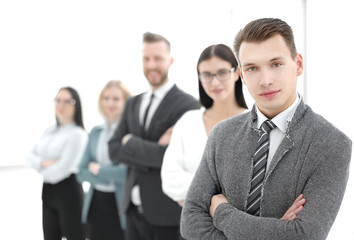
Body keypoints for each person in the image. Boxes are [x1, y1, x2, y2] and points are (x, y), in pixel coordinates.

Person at [181, 18, 352, 240]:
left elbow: (304, 236)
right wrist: (276, 231)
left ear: (298, 64)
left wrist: (222, 213)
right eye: (252, 68)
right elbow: (190, 223)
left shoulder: (332, 144)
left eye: (276, 64)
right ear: (242, 75)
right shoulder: (221, 135)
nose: (265, 80)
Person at [108, 32, 200, 240]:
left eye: (158, 58)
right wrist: (153, 150)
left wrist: (130, 143)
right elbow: (113, 148)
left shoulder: (187, 105)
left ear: (170, 60)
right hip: (131, 211)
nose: (151, 65)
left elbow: (171, 156)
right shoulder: (132, 103)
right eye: (146, 59)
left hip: (167, 215)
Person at [161, 44, 248, 207]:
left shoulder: (253, 123)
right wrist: (219, 195)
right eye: (207, 75)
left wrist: (194, 194)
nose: (214, 82)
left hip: (240, 227)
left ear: (237, 73)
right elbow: (169, 179)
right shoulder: (188, 122)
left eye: (222, 72)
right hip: (194, 229)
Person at [27, 87, 87, 240]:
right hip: (48, 192)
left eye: (67, 101)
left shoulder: (77, 134)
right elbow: (30, 158)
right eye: (58, 100)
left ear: (76, 105)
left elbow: (63, 169)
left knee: (74, 235)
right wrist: (45, 163)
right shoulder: (49, 131)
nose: (61, 105)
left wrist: (41, 167)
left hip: (68, 191)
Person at [76, 80, 131, 240]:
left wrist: (97, 169)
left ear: (125, 101)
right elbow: (80, 171)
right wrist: (108, 177)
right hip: (95, 204)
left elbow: (126, 173)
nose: (110, 103)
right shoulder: (95, 132)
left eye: (115, 98)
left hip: (119, 204)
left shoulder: (129, 134)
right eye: (106, 98)